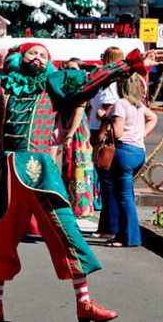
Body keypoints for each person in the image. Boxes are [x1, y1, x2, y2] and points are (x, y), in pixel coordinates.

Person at [0, 42, 163, 322]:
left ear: (48, 63)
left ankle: (84, 303)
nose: (37, 57)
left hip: (41, 173)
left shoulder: (54, 86)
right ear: (20, 58)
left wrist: (131, 64)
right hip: (6, 173)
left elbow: (93, 77)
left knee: (67, 232)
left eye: (43, 55)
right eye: (32, 53)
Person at [108, 74, 157, 247]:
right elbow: (153, 117)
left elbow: (118, 132)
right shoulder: (138, 105)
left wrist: (108, 122)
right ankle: (123, 234)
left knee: (124, 196)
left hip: (124, 152)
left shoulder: (120, 104)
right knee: (125, 193)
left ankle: (130, 236)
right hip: (138, 152)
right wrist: (142, 133)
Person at [89, 47, 123, 237]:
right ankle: (107, 225)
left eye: (104, 57)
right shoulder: (107, 81)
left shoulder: (112, 85)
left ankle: (108, 226)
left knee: (107, 180)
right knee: (105, 180)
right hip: (97, 130)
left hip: (103, 133)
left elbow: (108, 111)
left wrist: (101, 116)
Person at [56, 58, 95, 218]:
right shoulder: (71, 87)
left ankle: (81, 207)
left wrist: (70, 134)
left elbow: (79, 113)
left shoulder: (81, 88)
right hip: (72, 129)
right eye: (68, 69)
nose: (70, 72)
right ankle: (72, 203)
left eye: (73, 68)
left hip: (77, 131)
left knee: (79, 168)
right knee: (70, 166)